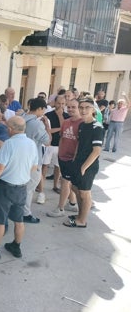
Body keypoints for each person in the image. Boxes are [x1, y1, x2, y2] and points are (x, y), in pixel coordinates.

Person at [0, 116, 38, 260]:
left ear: (11, 129)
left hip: (5, 187)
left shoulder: (9, 144)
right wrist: (21, 174)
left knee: (0, 219)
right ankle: (16, 246)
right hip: (21, 187)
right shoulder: (31, 144)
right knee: (19, 219)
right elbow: (34, 166)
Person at [63, 96, 104, 228]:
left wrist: (84, 167)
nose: (83, 110)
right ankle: (80, 214)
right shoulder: (82, 124)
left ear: (93, 109)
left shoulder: (97, 127)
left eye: (87, 107)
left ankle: (82, 221)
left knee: (84, 193)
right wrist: (75, 159)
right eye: (81, 107)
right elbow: (79, 143)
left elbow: (96, 151)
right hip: (78, 163)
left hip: (88, 166)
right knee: (75, 188)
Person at [46, 98, 82, 217]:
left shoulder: (82, 123)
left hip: (73, 159)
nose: (70, 109)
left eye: (74, 107)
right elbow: (62, 137)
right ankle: (72, 204)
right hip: (63, 157)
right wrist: (60, 152)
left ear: (79, 108)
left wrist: (76, 159)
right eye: (69, 107)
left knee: (65, 182)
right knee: (68, 182)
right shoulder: (66, 122)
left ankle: (60, 208)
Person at [21, 98, 51, 223]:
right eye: (43, 109)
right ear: (39, 109)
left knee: (20, 186)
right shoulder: (37, 124)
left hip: (20, 158)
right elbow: (47, 141)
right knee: (29, 188)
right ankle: (25, 213)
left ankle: (17, 209)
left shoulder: (20, 119)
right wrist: (47, 126)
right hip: (33, 160)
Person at [37, 95, 69, 204]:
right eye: (59, 103)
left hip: (61, 145)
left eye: (63, 104)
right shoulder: (48, 115)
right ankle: (41, 186)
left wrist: (60, 118)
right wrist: (60, 128)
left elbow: (65, 131)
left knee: (57, 167)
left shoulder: (66, 116)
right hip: (49, 145)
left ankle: (55, 185)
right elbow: (47, 131)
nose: (60, 106)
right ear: (54, 103)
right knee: (44, 166)